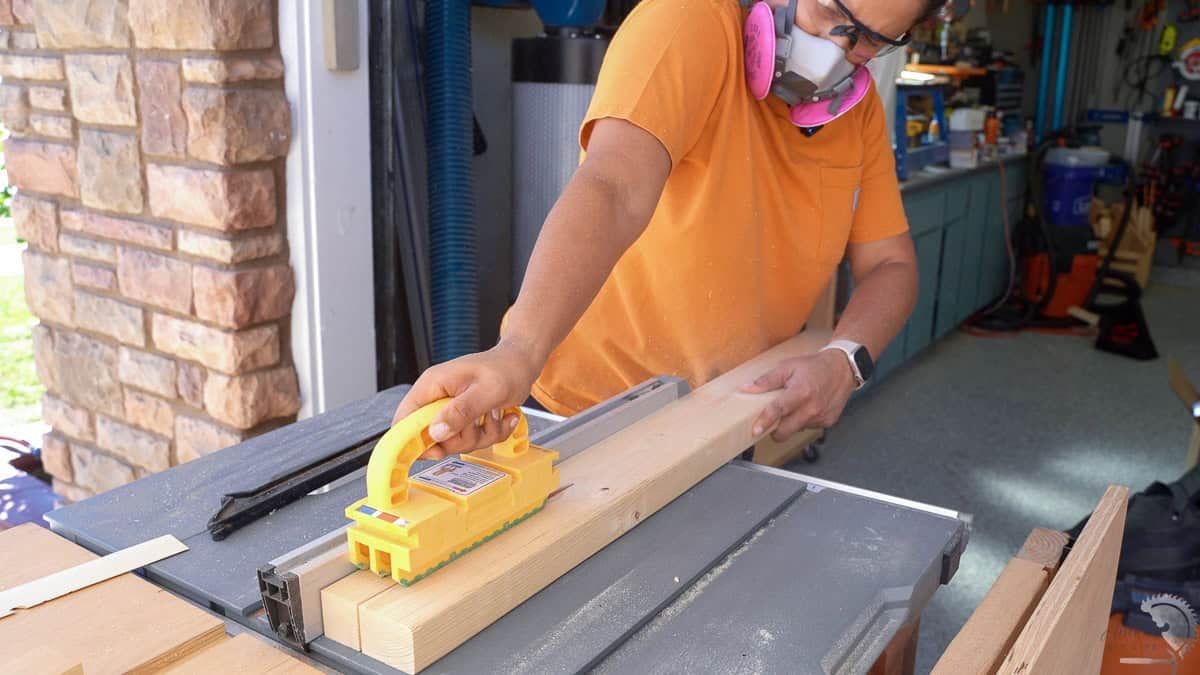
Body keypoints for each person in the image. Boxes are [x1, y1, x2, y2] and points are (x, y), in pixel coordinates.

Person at [396, 0, 946, 458]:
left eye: (869, 41)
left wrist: (845, 360)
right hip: (584, 412)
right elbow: (615, 186)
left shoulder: (861, 113)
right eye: (830, 13)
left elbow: (891, 265)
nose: (836, 53)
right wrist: (519, 349)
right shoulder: (689, 21)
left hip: (722, 420)